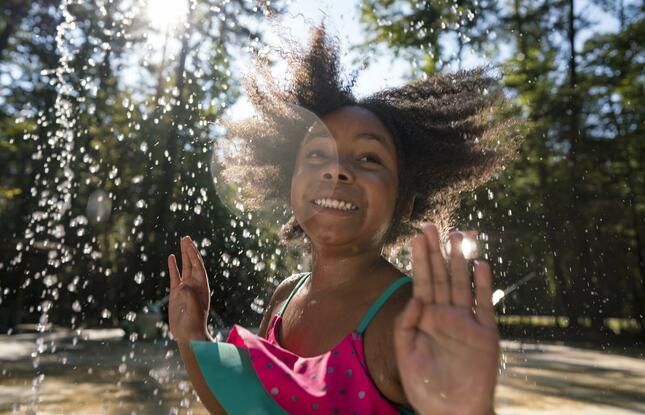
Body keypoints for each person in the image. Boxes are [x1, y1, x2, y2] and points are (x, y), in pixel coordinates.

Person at [167, 26, 521, 415]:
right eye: (318, 154)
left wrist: (470, 409)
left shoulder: (407, 315)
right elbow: (251, 406)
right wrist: (192, 336)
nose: (337, 171)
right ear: (291, 184)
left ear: (406, 201)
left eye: (369, 158)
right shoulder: (285, 297)